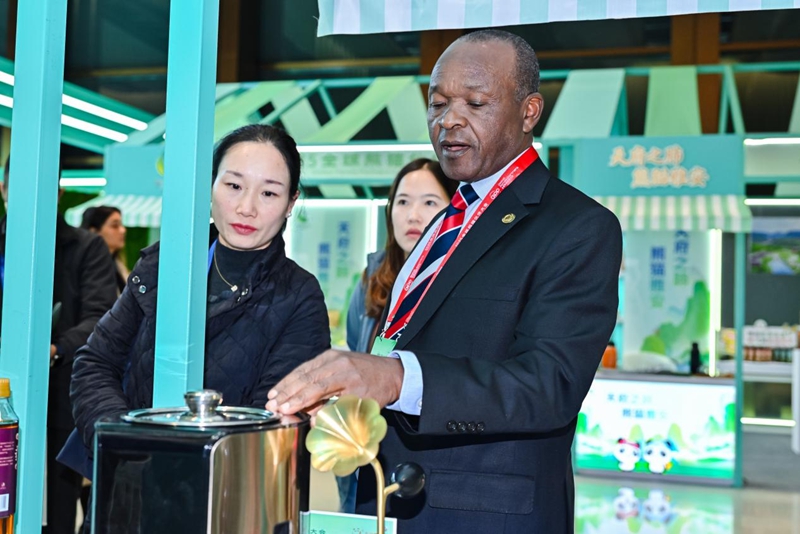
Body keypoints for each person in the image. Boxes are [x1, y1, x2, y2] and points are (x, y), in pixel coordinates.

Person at [266, 30, 622, 533]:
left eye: (475, 103)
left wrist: (396, 378)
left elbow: (550, 384)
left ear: (529, 112)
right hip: (392, 497)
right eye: (437, 104)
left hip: (482, 516)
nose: (449, 120)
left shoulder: (577, 226)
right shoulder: (446, 222)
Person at [69, 124, 331, 529]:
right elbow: (94, 363)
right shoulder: (164, 264)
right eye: (234, 186)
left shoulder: (298, 296)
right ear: (211, 186)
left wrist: (172, 464)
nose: (246, 207)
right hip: (126, 496)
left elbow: (272, 420)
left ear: (290, 202)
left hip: (225, 506)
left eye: (269, 193)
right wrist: (127, 447)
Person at [0, 158, 118, 534]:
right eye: (20, 188)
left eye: (43, 190)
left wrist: (55, 348)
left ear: (58, 194)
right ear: (4, 190)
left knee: (56, 512)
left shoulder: (86, 248)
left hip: (60, 397)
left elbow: (100, 315)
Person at [338, 158, 457, 512]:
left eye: (429, 202)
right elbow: (356, 346)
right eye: (402, 202)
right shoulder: (373, 278)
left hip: (429, 449)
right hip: (367, 446)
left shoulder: (460, 283)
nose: (413, 215)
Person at [81, 206, 129, 293]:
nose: (123, 230)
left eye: (121, 225)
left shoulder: (118, 264)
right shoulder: (90, 268)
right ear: (94, 231)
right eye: (115, 226)